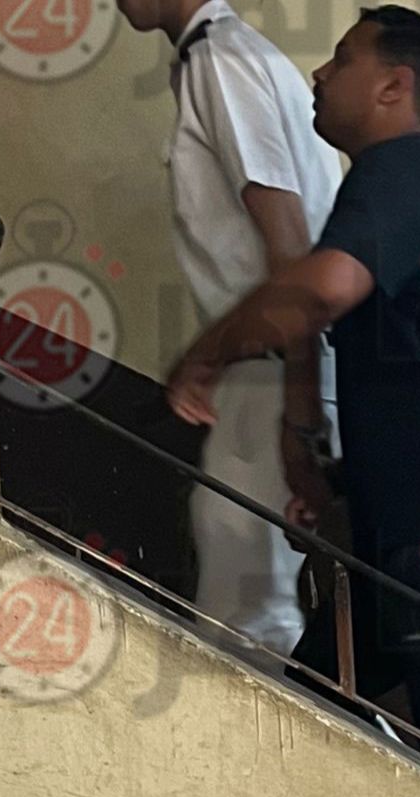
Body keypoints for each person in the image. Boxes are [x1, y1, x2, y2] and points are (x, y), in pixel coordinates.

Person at [165, 5, 420, 797]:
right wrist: (337, 481)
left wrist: (207, 354)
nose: (318, 73)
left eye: (341, 58)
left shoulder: (402, 172)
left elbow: (319, 290)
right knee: (305, 712)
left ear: (392, 87)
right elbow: (419, 372)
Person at [115, 0, 343, 656]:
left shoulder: (222, 60)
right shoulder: (223, 58)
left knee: (248, 631)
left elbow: (289, 250)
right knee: (250, 611)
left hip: (276, 371)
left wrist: (291, 407)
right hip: (279, 368)